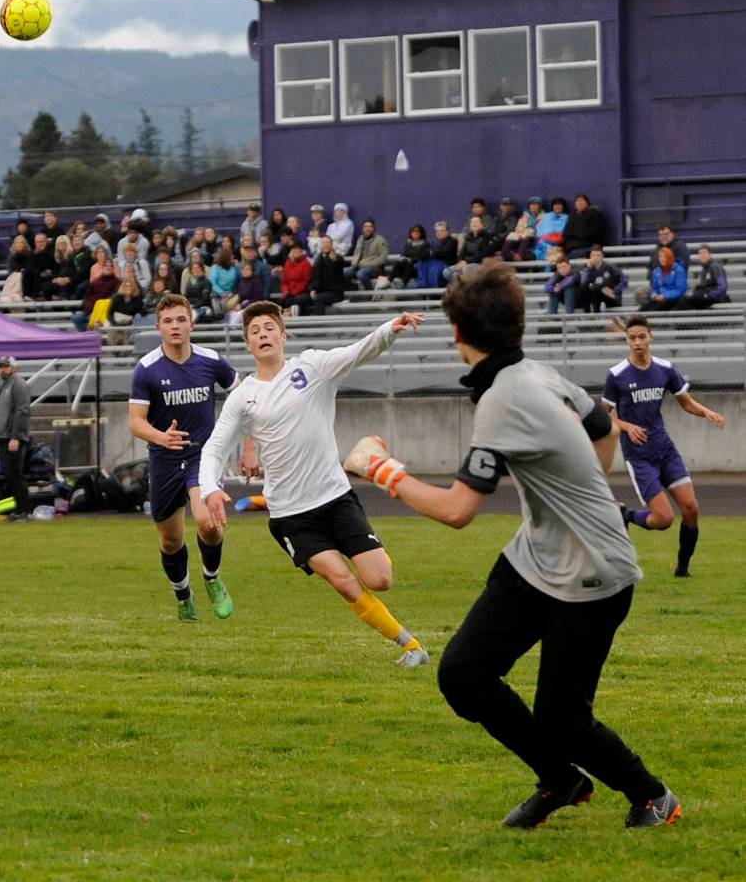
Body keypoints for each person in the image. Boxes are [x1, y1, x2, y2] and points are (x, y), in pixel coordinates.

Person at [343, 263, 682, 828]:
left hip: (594, 573)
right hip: (536, 556)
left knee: (563, 720)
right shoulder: (536, 372)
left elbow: (457, 511)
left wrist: (381, 470)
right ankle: (561, 780)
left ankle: (651, 796)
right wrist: (580, 496)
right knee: (463, 674)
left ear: (459, 335)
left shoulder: (504, 397)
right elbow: (602, 425)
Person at [199, 301, 429, 668]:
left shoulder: (312, 366)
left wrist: (391, 327)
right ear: (247, 344)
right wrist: (210, 487)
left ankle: (403, 629)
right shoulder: (243, 397)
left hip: (336, 498)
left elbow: (358, 352)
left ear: (283, 334)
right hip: (291, 515)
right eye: (255, 331)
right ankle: (410, 645)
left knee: (380, 578)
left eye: (269, 328)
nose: (263, 335)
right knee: (342, 581)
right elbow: (214, 446)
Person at [129, 294, 252, 622]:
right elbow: (135, 421)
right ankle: (183, 595)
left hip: (204, 456)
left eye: (181, 320)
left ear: (191, 324)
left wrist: (250, 446)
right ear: (158, 327)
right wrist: (161, 437)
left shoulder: (211, 361)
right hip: (164, 460)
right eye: (168, 321)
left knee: (209, 524)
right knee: (171, 540)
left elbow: (245, 401)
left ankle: (212, 579)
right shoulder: (147, 369)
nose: (175, 326)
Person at [604, 315, 724, 577]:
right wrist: (626, 426)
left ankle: (682, 570)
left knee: (691, 508)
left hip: (664, 448)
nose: (637, 342)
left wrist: (707, 413)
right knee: (663, 520)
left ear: (651, 336)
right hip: (639, 456)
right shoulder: (617, 375)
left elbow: (686, 402)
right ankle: (624, 515)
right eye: (632, 338)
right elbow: (604, 414)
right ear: (627, 340)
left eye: (641, 336)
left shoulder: (665, 369)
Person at [0, 357, 32, 523]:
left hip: (11, 437)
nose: (2, 370)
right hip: (2, 436)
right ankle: (19, 509)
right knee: (9, 474)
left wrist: (15, 436)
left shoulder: (18, 384)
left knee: (15, 474)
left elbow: (22, 411)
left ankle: (24, 511)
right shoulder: (3, 385)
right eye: (0, 367)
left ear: (14, 367)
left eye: (5, 367)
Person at [675, 245, 730, 309]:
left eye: (704, 253)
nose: (702, 255)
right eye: (700, 253)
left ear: (710, 254)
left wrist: (709, 295)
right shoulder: (704, 269)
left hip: (712, 297)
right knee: (681, 300)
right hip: (705, 297)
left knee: (683, 301)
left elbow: (722, 287)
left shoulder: (715, 267)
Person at [579, 245, 628, 312]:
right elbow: (583, 283)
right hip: (596, 297)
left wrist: (615, 290)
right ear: (590, 256)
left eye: (598, 255)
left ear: (602, 256)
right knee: (584, 288)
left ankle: (596, 314)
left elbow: (625, 280)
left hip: (611, 297)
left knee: (596, 287)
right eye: (593, 255)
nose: (595, 258)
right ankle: (587, 314)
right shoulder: (588, 269)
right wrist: (587, 269)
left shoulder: (610, 267)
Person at [344, 219, 388, 290]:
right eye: (365, 226)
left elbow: (383, 258)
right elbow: (356, 253)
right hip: (359, 267)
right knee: (343, 272)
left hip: (375, 269)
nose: (368, 229)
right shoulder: (360, 239)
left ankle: (370, 294)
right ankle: (354, 292)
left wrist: (366, 264)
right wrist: (354, 264)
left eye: (370, 226)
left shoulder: (380, 240)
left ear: (374, 228)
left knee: (361, 274)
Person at [309, 235, 346, 314]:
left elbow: (341, 264)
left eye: (327, 242)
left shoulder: (337, 257)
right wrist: (312, 289)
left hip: (335, 293)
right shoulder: (318, 259)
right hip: (322, 291)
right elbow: (314, 277)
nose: (325, 244)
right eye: (323, 242)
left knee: (318, 298)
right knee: (304, 298)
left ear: (331, 244)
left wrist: (335, 261)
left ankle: (319, 322)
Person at [415, 221, 458, 288]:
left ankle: (434, 292)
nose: (439, 233)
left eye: (441, 231)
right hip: (434, 262)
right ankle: (423, 287)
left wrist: (431, 252)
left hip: (446, 264)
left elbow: (445, 252)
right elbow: (427, 253)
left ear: (447, 232)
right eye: (437, 231)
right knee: (421, 264)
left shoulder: (452, 241)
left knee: (434, 268)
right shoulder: (433, 242)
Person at [501, 197, 544, 263]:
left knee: (526, 235)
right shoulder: (525, 215)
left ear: (540, 206)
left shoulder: (544, 216)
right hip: (521, 233)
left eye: (536, 204)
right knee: (512, 235)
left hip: (533, 237)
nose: (533, 206)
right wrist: (520, 233)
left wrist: (527, 231)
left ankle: (519, 256)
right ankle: (505, 254)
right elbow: (519, 226)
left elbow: (540, 229)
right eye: (531, 204)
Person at [562, 194, 604, 258]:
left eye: (582, 201)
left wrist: (576, 234)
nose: (579, 203)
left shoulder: (593, 213)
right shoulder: (572, 215)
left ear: (587, 203)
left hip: (587, 246)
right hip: (570, 247)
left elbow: (594, 232)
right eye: (577, 201)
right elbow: (567, 232)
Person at [391, 224, 429, 288]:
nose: (415, 233)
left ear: (421, 233)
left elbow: (421, 257)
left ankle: (403, 283)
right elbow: (403, 254)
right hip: (406, 268)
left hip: (417, 268)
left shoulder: (425, 244)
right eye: (413, 231)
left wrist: (410, 257)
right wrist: (404, 258)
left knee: (410, 261)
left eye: (417, 231)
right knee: (399, 261)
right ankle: (389, 280)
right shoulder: (408, 243)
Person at [279, 240, 312, 313]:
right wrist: (286, 292)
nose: (296, 251)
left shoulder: (306, 264)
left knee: (297, 300)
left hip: (302, 292)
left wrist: (293, 293)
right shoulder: (287, 264)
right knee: (281, 301)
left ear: (302, 250)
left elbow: (305, 282)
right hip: (289, 292)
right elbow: (284, 282)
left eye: (298, 249)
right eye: (294, 249)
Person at [534, 197, 569, 262]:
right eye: (555, 205)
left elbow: (564, 232)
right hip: (543, 242)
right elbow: (539, 230)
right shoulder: (546, 216)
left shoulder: (567, 217)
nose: (557, 207)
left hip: (558, 242)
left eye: (559, 205)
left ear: (563, 206)